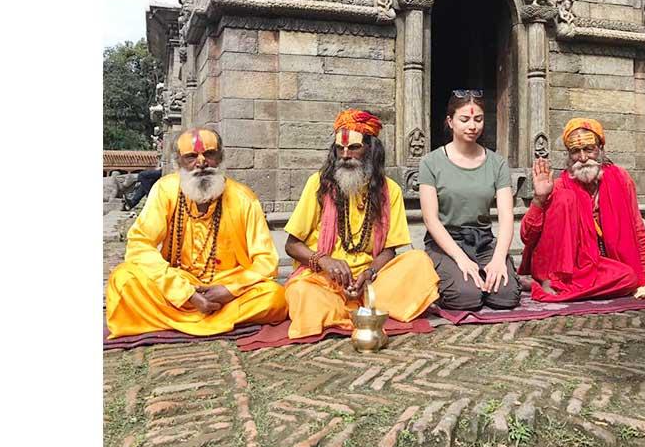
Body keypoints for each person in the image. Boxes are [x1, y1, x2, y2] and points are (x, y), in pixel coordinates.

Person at [105, 128, 287, 337]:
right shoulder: (165, 189)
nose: (201, 162)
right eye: (191, 156)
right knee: (123, 279)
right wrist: (185, 292)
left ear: (220, 158)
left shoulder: (244, 198)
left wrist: (230, 290)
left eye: (209, 154)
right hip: (177, 282)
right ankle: (213, 320)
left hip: (226, 286)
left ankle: (173, 321)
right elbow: (140, 244)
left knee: (275, 297)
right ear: (178, 163)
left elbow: (266, 261)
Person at [283, 109, 439, 339]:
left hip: (371, 283)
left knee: (419, 262)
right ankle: (348, 309)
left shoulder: (390, 190)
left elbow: (389, 250)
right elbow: (291, 245)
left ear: (370, 150)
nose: (345, 155)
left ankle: (348, 310)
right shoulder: (318, 184)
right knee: (301, 291)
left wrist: (369, 272)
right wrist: (325, 261)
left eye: (354, 147)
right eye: (340, 149)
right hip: (324, 280)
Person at [520, 118, 645, 302]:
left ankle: (556, 287)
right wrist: (539, 199)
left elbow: (638, 228)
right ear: (569, 155)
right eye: (575, 151)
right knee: (565, 198)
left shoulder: (621, 179)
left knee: (629, 277)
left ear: (600, 149)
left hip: (596, 264)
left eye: (589, 149)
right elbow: (527, 236)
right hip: (563, 265)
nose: (582, 158)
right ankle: (550, 281)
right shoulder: (558, 186)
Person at [418, 91, 521, 311]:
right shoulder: (430, 162)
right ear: (450, 121)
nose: (472, 126)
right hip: (446, 243)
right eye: (464, 119)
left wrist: (499, 258)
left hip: (483, 241)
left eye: (478, 119)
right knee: (466, 298)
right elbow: (430, 220)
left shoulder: (497, 163)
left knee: (506, 297)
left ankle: (488, 274)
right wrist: (461, 259)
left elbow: (506, 217)